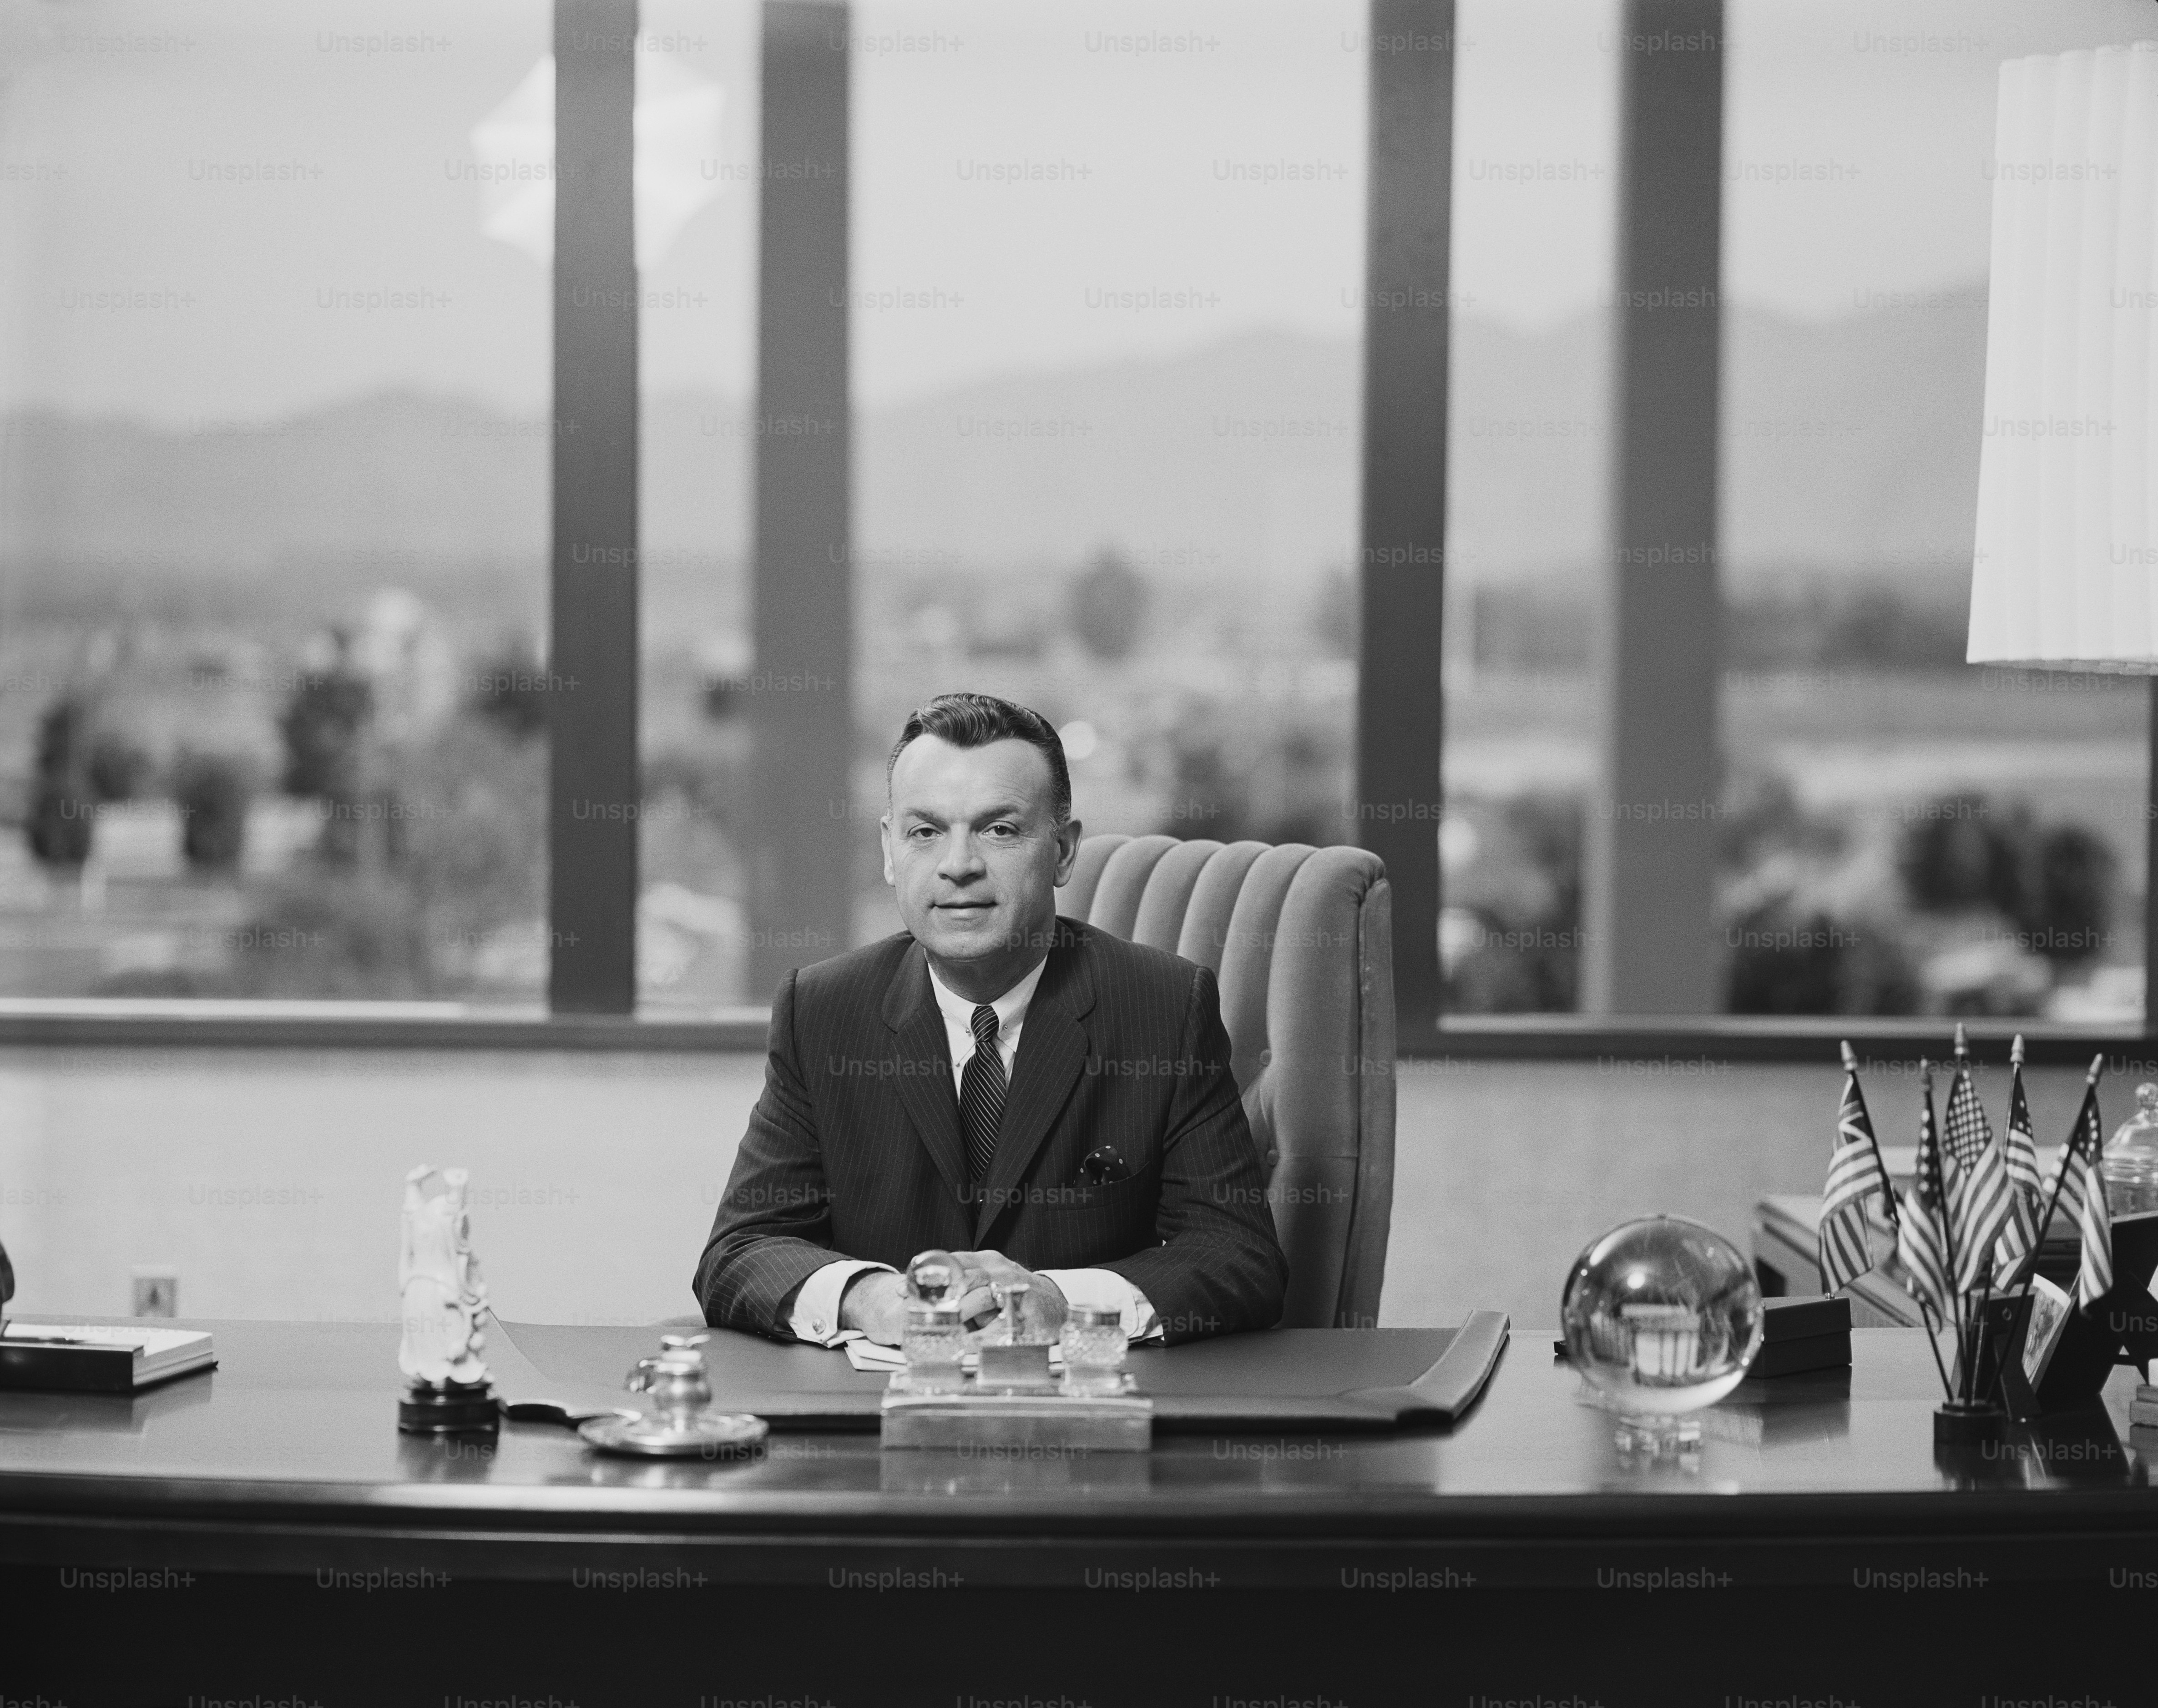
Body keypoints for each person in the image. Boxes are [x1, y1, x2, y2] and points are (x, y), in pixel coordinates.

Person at [694, 692, 1287, 1348]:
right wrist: (873, 1299)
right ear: (891, 850)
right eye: (925, 832)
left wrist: (1061, 1302)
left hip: (1086, 1430)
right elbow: (741, 1249)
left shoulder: (1167, 1009)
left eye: (998, 829)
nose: (958, 864)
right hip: (877, 1426)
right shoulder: (823, 1009)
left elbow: (1239, 1256)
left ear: (1063, 851)